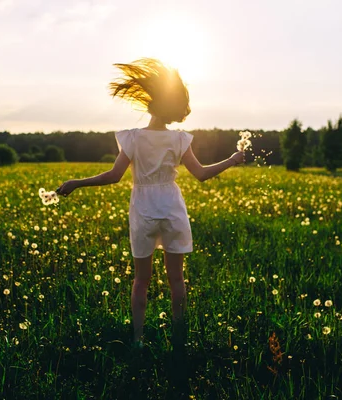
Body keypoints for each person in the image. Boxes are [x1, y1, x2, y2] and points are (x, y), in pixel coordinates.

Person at [57, 58, 244, 352]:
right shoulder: (180, 139)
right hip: (171, 209)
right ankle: (179, 338)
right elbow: (202, 174)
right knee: (176, 279)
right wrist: (232, 160)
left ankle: (138, 340)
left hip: (144, 210)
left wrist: (77, 182)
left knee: (141, 280)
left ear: (149, 104)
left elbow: (114, 176)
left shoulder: (133, 138)